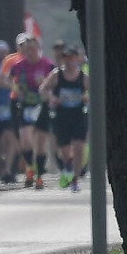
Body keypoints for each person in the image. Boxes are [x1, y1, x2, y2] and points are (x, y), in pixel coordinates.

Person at [3, 35, 54, 189]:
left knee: (41, 142)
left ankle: (39, 176)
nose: (30, 52)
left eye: (32, 49)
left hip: (42, 105)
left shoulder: (47, 64)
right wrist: (16, 89)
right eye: (27, 49)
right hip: (25, 105)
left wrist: (43, 84)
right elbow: (6, 79)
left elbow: (54, 84)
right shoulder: (18, 65)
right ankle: (29, 168)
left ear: (38, 49)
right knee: (25, 141)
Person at [40, 46, 89, 192]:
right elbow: (43, 89)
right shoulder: (56, 75)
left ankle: (74, 179)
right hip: (62, 116)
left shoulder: (83, 77)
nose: (69, 61)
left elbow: (96, 92)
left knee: (79, 148)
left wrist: (86, 98)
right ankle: (68, 165)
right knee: (66, 151)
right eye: (66, 58)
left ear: (77, 59)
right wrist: (52, 98)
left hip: (78, 115)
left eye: (72, 58)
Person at [0, 40, 19, 183]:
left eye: (4, 51)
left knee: (9, 138)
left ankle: (8, 169)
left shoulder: (12, 65)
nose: (2, 54)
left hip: (8, 105)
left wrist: (6, 84)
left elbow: (16, 82)